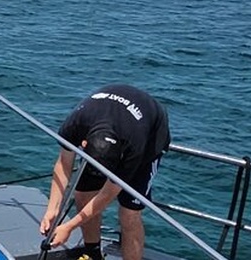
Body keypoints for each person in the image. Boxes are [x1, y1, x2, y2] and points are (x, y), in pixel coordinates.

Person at [40, 84, 170, 260]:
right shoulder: (76, 123)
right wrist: (52, 209)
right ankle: (93, 253)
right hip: (107, 115)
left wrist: (69, 226)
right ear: (83, 144)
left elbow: (109, 193)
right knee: (82, 194)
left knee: (129, 213)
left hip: (150, 135)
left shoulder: (134, 147)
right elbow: (64, 164)